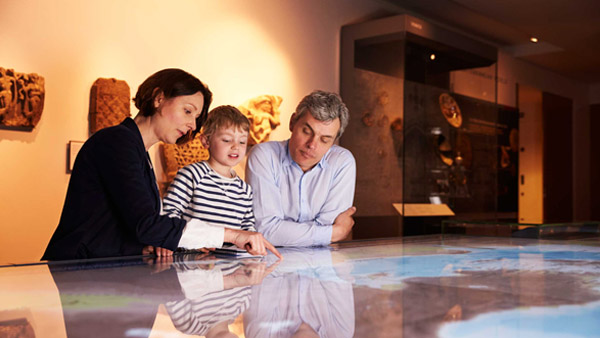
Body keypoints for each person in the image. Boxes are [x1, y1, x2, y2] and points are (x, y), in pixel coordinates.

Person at [42, 68, 280, 261]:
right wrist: (230, 235)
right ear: (158, 98)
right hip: (80, 275)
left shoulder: (138, 152)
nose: (191, 125)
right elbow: (147, 224)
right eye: (187, 111)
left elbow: (130, 224)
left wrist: (151, 245)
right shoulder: (116, 142)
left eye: (196, 118)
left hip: (103, 277)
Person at [245, 90, 356, 247]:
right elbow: (266, 230)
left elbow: (275, 231)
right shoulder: (264, 156)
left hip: (321, 266)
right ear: (292, 123)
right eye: (307, 131)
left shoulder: (342, 163)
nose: (312, 145)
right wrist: (333, 233)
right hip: (270, 265)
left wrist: (283, 230)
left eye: (325, 140)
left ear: (333, 142)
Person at [162, 105, 256, 233]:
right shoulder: (191, 175)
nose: (236, 147)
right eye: (227, 140)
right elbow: (169, 213)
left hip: (228, 252)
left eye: (242, 142)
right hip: (191, 251)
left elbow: (248, 227)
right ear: (206, 141)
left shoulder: (245, 190)